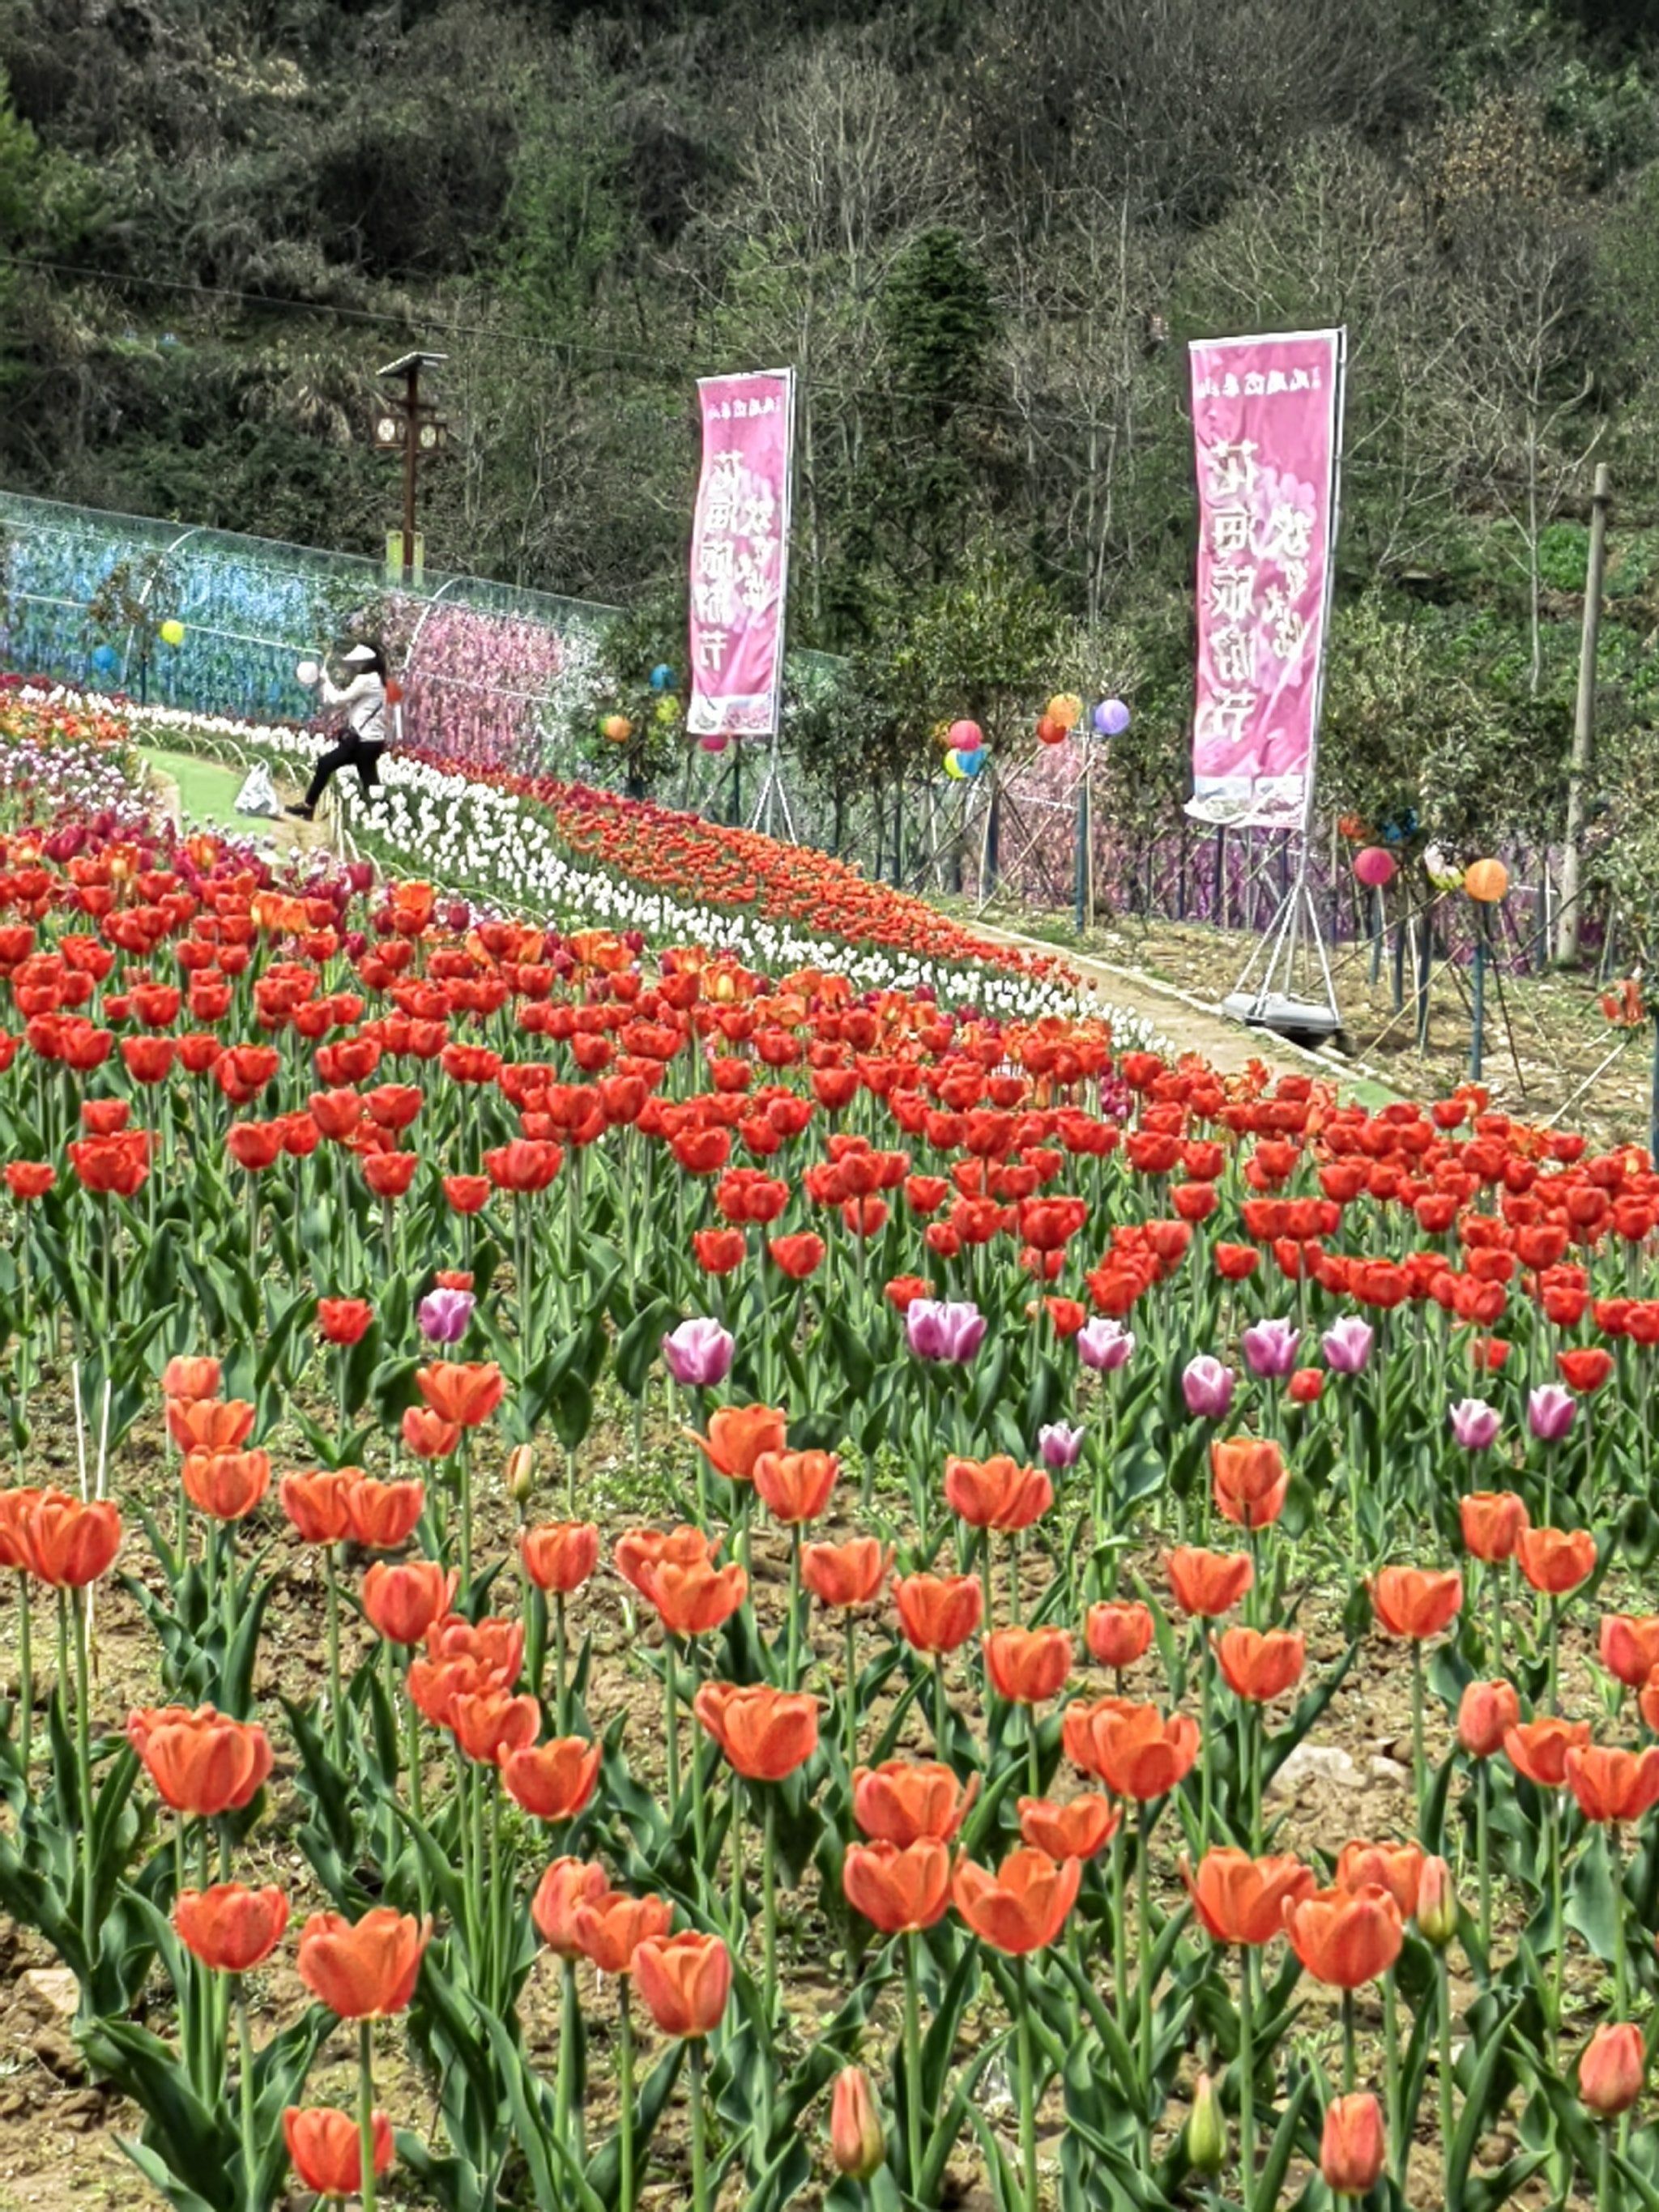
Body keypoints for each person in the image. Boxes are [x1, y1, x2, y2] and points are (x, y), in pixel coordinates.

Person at [287, 641, 391, 819]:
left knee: (326, 764)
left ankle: (308, 806)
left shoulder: (367, 679)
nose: (355, 666)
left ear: (367, 662)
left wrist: (325, 680)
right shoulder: (377, 679)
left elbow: (338, 699)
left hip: (363, 741)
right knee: (370, 783)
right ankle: (387, 817)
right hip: (371, 741)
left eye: (358, 662)